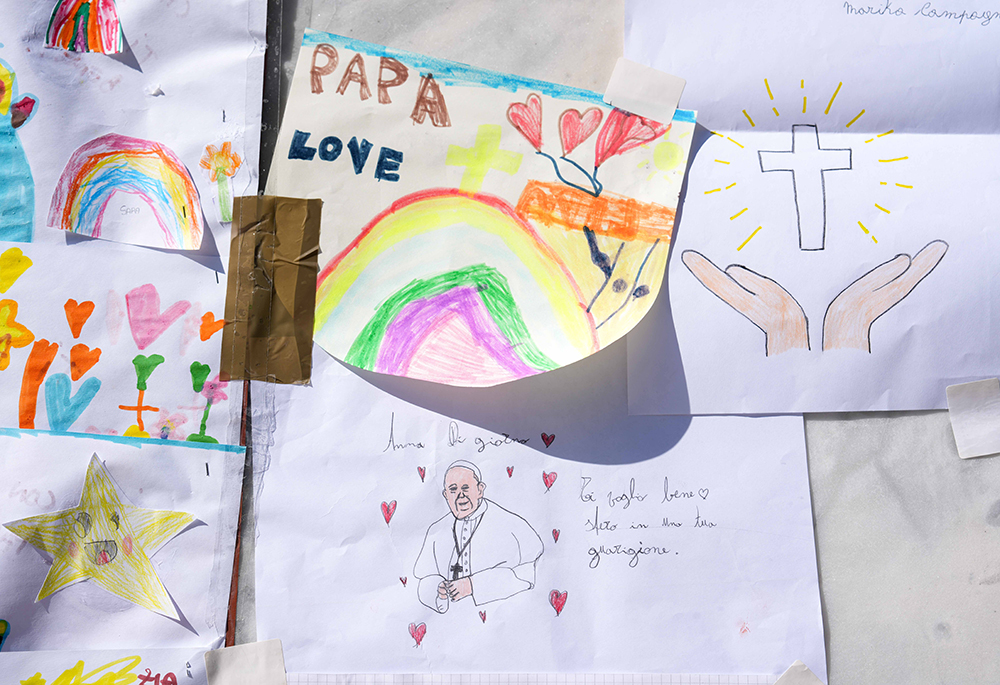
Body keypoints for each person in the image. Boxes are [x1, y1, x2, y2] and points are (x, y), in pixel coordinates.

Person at [414, 460, 543, 613]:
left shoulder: (512, 525)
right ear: (445, 494)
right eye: (453, 489)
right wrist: (438, 589)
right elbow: (423, 579)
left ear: (480, 490)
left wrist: (473, 586)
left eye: (466, 487)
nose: (460, 495)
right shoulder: (436, 530)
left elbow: (526, 578)